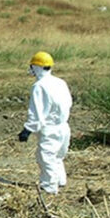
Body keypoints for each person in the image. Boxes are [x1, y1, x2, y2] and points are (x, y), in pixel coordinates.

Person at [18, 51, 73, 194]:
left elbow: (37, 111)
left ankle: (49, 187)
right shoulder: (60, 82)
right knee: (58, 156)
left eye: (32, 66)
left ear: (37, 67)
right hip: (64, 127)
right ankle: (60, 180)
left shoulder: (39, 86)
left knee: (46, 157)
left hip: (50, 129)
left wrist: (27, 129)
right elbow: (68, 103)